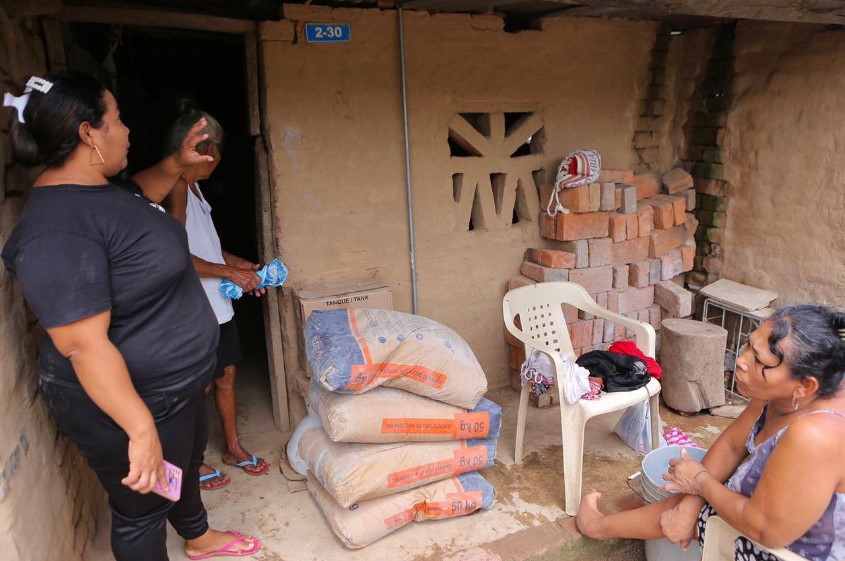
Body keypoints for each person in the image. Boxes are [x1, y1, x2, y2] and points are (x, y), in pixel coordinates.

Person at [1, 71, 260, 561]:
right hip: (130, 403)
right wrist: (139, 428)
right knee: (141, 509)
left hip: (173, 390)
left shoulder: (99, 191)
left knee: (181, 464)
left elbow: (138, 197)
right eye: (117, 120)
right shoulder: (55, 231)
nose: (127, 130)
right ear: (88, 133)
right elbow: (82, 344)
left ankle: (198, 537)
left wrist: (176, 164)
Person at [575, 304, 845, 561]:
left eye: (758, 359)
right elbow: (732, 446)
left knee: (696, 504)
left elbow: (766, 530)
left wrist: (701, 482)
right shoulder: (783, 388)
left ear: (805, 386)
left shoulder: (817, 434)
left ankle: (598, 526)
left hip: (794, 550)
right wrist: (689, 504)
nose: (741, 360)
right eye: (749, 345)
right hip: (767, 519)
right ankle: (600, 526)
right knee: (685, 505)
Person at [161, 106, 269, 491]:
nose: (220, 158)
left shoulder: (195, 188)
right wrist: (229, 273)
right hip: (194, 309)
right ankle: (192, 463)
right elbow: (175, 254)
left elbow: (207, 248)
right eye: (217, 149)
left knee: (226, 375)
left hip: (217, 305)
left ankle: (233, 448)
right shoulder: (174, 187)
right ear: (204, 149)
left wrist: (242, 266)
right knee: (198, 386)